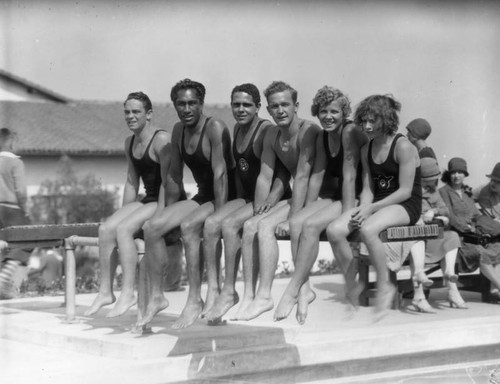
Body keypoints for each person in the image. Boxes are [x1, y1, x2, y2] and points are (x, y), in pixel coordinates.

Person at [138, 79, 235, 329]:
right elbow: (173, 177)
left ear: (202, 104)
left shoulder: (215, 127)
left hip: (228, 195)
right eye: (181, 104)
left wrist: (221, 218)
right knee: (152, 227)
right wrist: (167, 215)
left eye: (192, 103)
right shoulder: (178, 131)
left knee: (190, 225)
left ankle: (194, 299)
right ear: (175, 106)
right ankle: (158, 296)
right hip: (204, 195)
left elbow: (221, 176)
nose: (187, 109)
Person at [273, 86, 368, 324]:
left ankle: (293, 288)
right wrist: (306, 208)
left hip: (358, 193)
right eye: (323, 111)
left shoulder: (349, 132)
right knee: (297, 222)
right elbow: (316, 175)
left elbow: (349, 177)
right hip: (336, 194)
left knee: (312, 226)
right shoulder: (325, 135)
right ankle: (304, 290)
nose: (328, 116)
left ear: (344, 112)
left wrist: (347, 217)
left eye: (334, 111)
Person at [84, 92, 183, 317]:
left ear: (148, 114)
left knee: (124, 229)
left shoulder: (161, 140)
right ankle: (105, 291)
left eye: (136, 112)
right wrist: (122, 213)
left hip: (169, 199)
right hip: (147, 198)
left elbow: (168, 183)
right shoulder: (129, 142)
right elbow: (131, 182)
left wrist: (159, 217)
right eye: (127, 112)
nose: (130, 116)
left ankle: (128, 292)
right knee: (106, 228)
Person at [326, 94, 422, 321]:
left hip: (405, 204)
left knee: (368, 229)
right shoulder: (366, 149)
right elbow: (368, 188)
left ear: (386, 120)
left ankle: (385, 285)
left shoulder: (403, 146)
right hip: (379, 203)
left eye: (373, 121)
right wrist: (363, 208)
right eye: (364, 121)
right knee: (335, 230)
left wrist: (370, 210)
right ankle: (354, 284)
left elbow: (405, 191)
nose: (367, 126)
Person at [234, 80, 322, 321]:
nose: (280, 111)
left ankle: (267, 294)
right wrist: (259, 210)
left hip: (320, 196)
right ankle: (250, 296)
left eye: (285, 105)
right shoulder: (272, 133)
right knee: (253, 225)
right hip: (299, 194)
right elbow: (265, 175)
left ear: (296, 106)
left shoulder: (308, 130)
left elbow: (303, 176)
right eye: (274, 107)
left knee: (266, 228)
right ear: (268, 110)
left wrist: (293, 216)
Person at [204, 83, 290, 322]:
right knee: (212, 223)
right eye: (236, 104)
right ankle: (220, 289)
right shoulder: (237, 129)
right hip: (250, 197)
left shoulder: (267, 130)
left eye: (247, 105)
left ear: (258, 107)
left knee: (233, 225)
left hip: (272, 197)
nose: (241, 109)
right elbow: (242, 173)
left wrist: (271, 201)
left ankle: (240, 292)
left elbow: (283, 173)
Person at [408, 157, 466, 312]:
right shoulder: (412, 192)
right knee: (417, 239)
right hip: (415, 236)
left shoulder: (434, 192)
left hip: (432, 235)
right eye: (428, 181)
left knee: (452, 236)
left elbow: (445, 209)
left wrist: (433, 211)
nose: (432, 184)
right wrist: (421, 217)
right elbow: (407, 212)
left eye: (434, 180)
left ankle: (449, 274)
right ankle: (419, 294)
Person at [439, 157, 500, 301]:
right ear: (449, 174)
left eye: (460, 172)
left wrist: (495, 228)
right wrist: (466, 228)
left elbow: (476, 215)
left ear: (465, 174)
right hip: (458, 236)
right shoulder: (444, 191)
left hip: (474, 234)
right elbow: (450, 215)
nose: (457, 175)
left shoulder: (467, 192)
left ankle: (494, 290)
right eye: (454, 172)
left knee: (497, 246)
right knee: (480, 252)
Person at [0, 127, 31, 297]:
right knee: (29, 238)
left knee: (4, 242)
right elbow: (21, 191)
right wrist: (25, 210)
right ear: (11, 142)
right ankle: (3, 279)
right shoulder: (16, 163)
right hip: (11, 208)